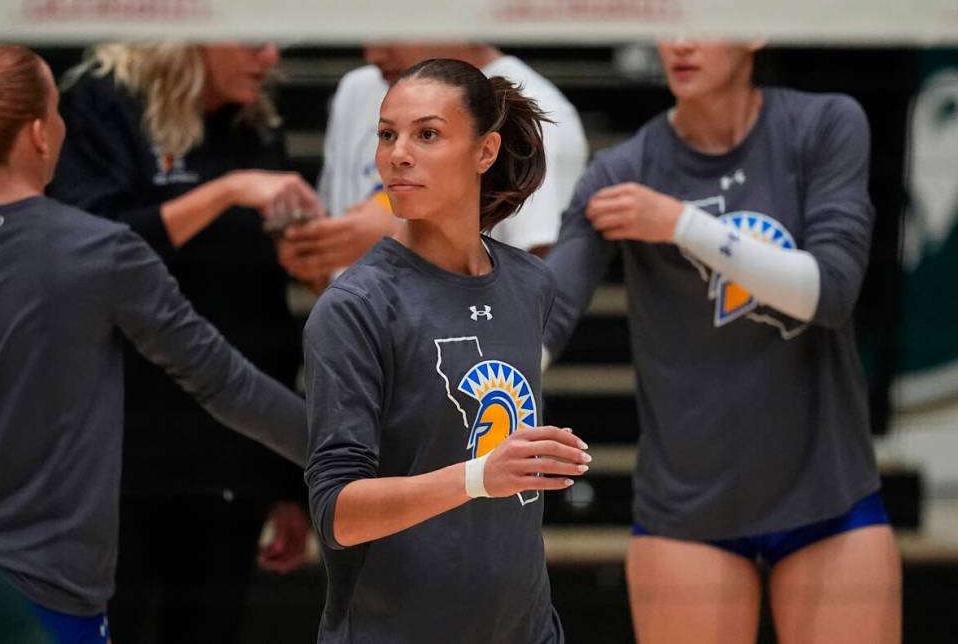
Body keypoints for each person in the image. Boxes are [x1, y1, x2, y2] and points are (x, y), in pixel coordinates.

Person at [543, 39, 902, 643]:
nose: (680, 42)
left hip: (827, 499)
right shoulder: (621, 172)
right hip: (688, 513)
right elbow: (541, 326)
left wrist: (682, 225)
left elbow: (832, 292)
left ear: (755, 27)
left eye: (704, 19)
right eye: (671, 22)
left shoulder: (824, 124)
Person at [0, 44, 308, 644]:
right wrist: (360, 456)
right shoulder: (98, 251)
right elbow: (224, 381)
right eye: (57, 114)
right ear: (38, 134)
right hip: (47, 588)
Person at [303, 58, 591, 643]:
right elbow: (336, 512)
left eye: (426, 134)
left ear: (485, 152)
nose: (397, 154)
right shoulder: (355, 306)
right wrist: (481, 476)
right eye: (388, 134)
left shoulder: (529, 285)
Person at [278, 42, 589, 285]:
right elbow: (336, 269)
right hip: (361, 339)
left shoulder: (539, 112)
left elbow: (537, 286)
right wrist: (314, 256)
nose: (372, 52)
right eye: (385, 134)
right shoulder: (357, 89)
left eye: (427, 134)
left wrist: (405, 240)